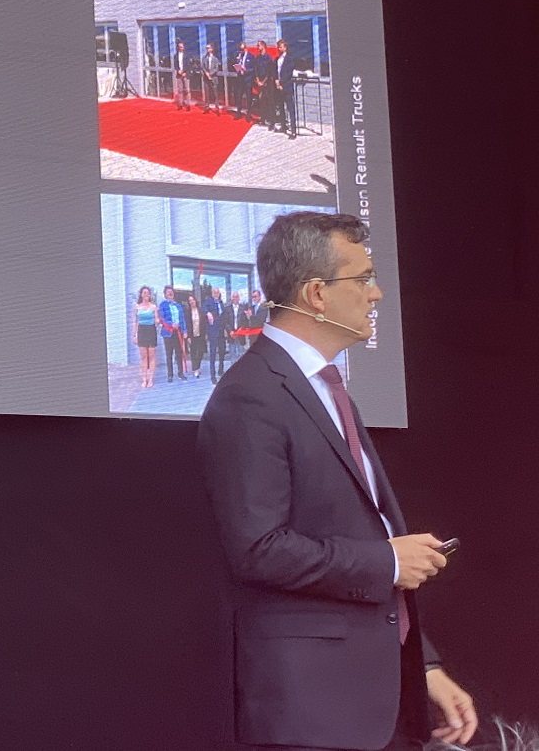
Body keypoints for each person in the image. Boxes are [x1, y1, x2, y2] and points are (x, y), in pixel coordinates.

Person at [199, 212, 477, 750]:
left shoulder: (326, 389)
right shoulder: (251, 396)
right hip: (314, 710)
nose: (376, 294)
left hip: (372, 700)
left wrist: (423, 664)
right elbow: (258, 550)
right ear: (316, 294)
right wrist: (388, 561)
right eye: (364, 278)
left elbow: (357, 533)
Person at [157, 285, 187, 381]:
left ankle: (180, 373)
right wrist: (171, 324)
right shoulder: (163, 305)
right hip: (168, 332)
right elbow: (162, 318)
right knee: (169, 354)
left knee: (179, 354)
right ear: (165, 294)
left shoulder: (178, 306)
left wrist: (185, 331)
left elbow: (182, 319)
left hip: (178, 333)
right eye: (168, 292)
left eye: (171, 292)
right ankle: (170, 375)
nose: (170, 293)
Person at [202, 282, 228, 382]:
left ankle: (220, 370)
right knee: (213, 353)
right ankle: (213, 376)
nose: (216, 294)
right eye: (214, 292)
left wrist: (225, 329)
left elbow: (223, 317)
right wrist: (208, 313)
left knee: (222, 351)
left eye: (217, 292)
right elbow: (203, 308)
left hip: (221, 332)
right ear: (212, 293)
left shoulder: (221, 302)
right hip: (213, 331)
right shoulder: (209, 301)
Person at [134, 285, 160, 389]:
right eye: (144, 293)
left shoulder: (153, 307)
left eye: (148, 293)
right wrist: (135, 335)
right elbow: (135, 322)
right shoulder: (137, 307)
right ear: (141, 294)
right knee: (144, 357)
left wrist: (158, 321)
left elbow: (157, 320)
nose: (146, 295)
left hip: (151, 330)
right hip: (141, 331)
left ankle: (150, 379)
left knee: (152, 356)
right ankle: (144, 379)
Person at [201, 41, 223, 114]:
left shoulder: (215, 58)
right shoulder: (204, 58)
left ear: (212, 49)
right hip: (206, 78)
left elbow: (216, 68)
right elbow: (203, 67)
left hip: (213, 78)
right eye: (206, 48)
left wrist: (211, 74)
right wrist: (206, 74)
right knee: (207, 93)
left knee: (215, 94)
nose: (207, 49)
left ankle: (217, 108)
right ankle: (206, 107)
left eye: (209, 48)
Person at [172, 38, 194, 110]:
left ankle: (188, 104)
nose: (181, 48)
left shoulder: (187, 55)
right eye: (179, 47)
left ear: (184, 47)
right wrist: (178, 70)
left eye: (182, 47)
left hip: (185, 74)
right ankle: (180, 104)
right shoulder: (176, 55)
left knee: (187, 90)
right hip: (179, 74)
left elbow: (189, 65)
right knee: (180, 90)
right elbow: (175, 64)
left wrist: (184, 72)